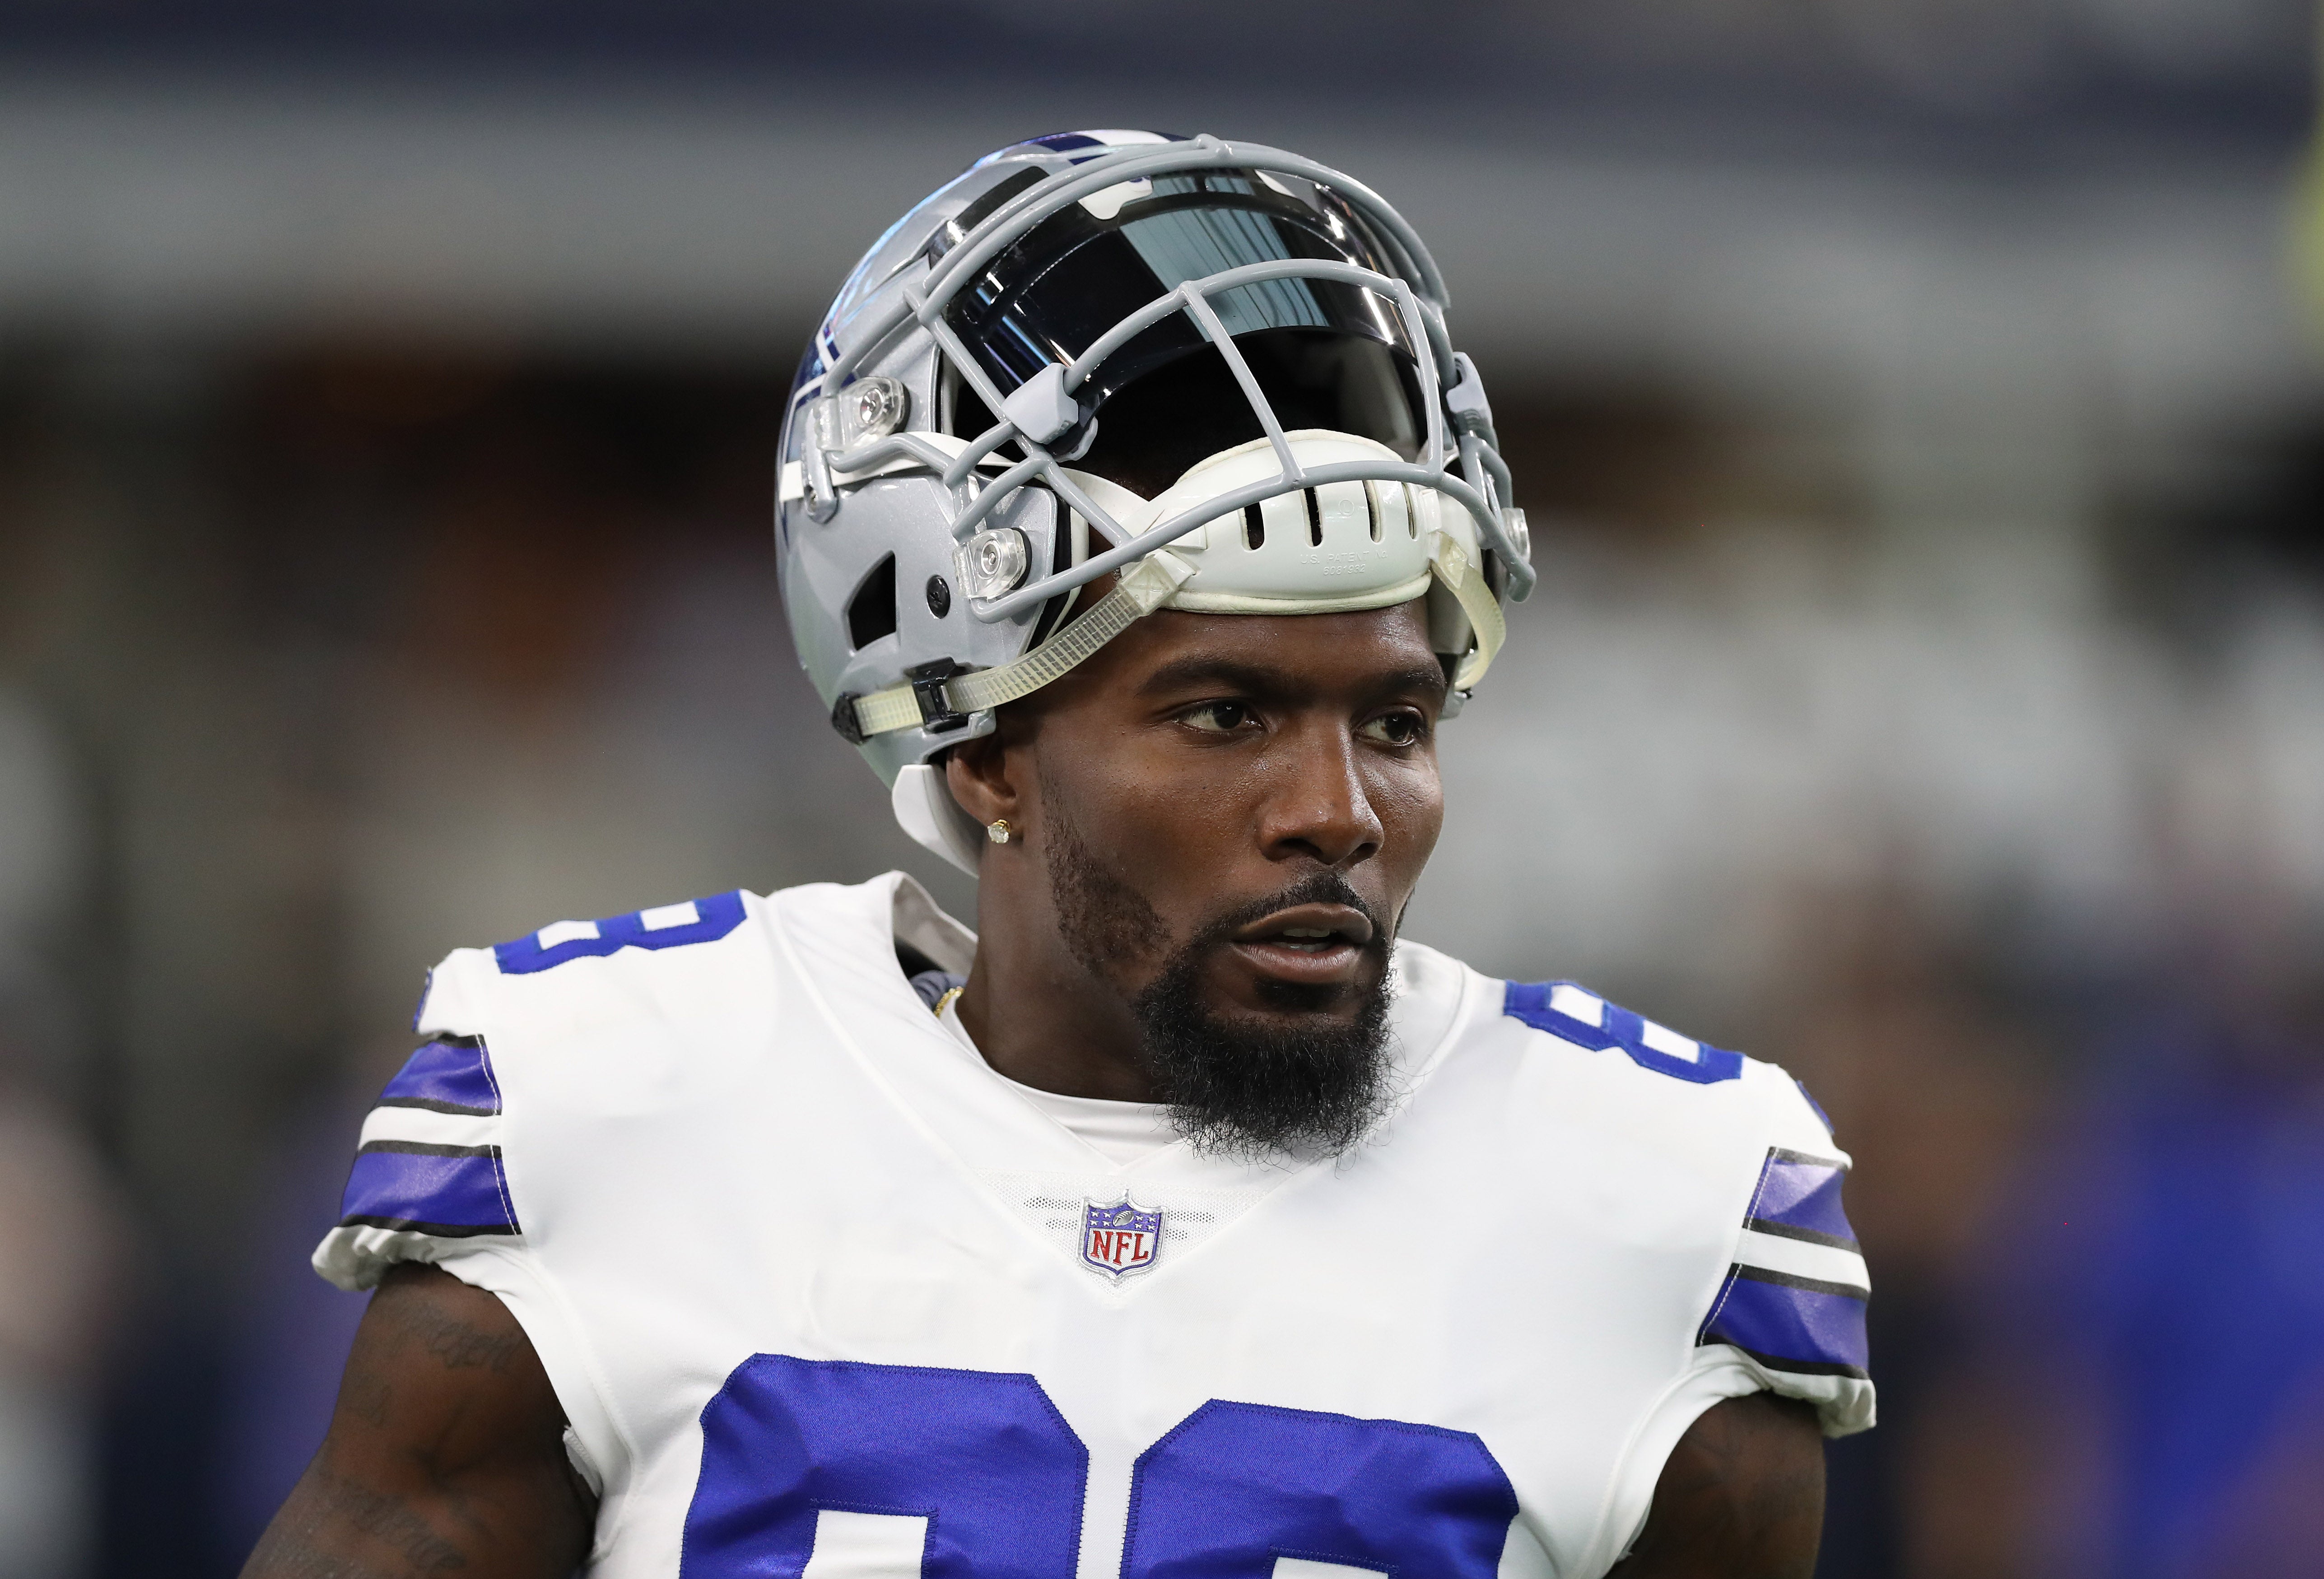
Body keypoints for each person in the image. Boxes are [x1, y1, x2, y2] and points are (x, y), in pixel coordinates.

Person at [245, 130, 1872, 1579]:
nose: (1339, 809)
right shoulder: (616, 1101)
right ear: (983, 754)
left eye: (1392, 719)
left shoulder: (1648, 1205)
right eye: (1227, 714)